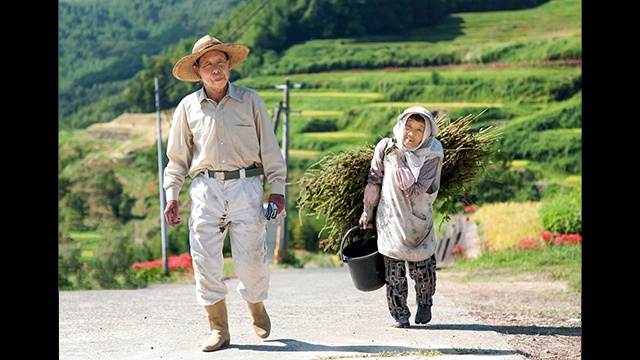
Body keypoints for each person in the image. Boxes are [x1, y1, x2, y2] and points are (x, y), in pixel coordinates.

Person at [163, 35, 287, 352]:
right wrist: (172, 194)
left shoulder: (250, 101)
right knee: (204, 260)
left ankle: (256, 307)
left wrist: (278, 189)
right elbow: (176, 159)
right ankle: (219, 328)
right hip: (205, 188)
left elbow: (271, 150)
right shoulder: (187, 108)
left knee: (252, 261)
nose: (216, 69)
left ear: (229, 65)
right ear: (198, 70)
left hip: (246, 185)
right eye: (208, 64)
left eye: (221, 62)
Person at [359, 105, 444, 328]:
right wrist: (367, 213)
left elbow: (417, 189)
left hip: (419, 222)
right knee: (394, 274)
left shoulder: (433, 152)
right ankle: (400, 314)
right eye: (408, 126)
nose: (411, 134)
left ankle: (425, 303)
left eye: (419, 129)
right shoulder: (386, 146)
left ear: (426, 133)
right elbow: (374, 181)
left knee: (423, 270)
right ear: (401, 125)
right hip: (390, 220)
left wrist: (403, 170)